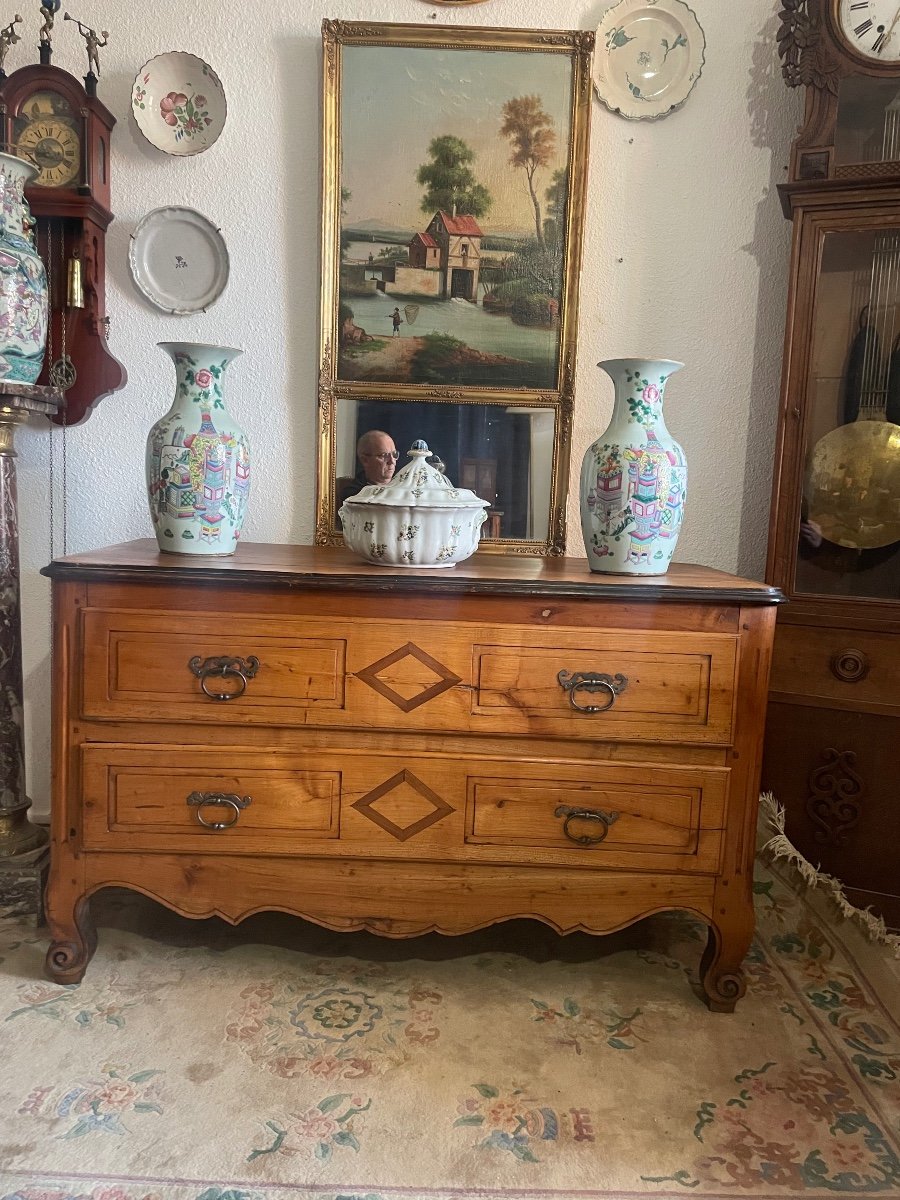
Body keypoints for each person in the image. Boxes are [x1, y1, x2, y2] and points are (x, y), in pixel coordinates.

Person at [335, 430, 399, 521]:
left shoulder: (402, 484)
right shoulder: (353, 495)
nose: (392, 461)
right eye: (384, 455)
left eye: (394, 454)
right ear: (365, 460)